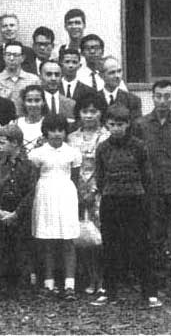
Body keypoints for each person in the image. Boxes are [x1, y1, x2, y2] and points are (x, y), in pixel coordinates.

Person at [91, 105, 161, 308]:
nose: (116, 129)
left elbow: (147, 175)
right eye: (112, 125)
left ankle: (149, 293)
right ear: (106, 125)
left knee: (140, 246)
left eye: (120, 124)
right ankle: (109, 291)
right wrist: (109, 190)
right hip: (111, 201)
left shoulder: (139, 146)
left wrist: (143, 198)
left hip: (135, 200)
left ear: (128, 124)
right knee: (111, 246)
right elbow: (100, 175)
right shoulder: (103, 148)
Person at [132, 80, 171, 294]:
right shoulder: (141, 125)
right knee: (154, 234)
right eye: (158, 96)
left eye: (167, 96)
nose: (162, 100)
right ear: (152, 97)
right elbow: (137, 156)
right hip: (151, 188)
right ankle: (157, 278)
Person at [29, 113, 81, 299]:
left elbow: (74, 178)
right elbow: (33, 178)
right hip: (44, 195)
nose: (57, 134)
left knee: (68, 240)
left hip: (66, 195)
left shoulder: (72, 152)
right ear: (45, 131)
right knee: (47, 240)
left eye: (60, 130)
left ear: (66, 132)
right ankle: (49, 284)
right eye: (52, 130)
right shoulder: (37, 153)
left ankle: (69, 285)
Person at [67, 93, 109, 295]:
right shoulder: (71, 137)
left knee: (100, 237)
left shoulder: (107, 136)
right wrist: (76, 190)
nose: (89, 116)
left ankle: (102, 279)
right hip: (75, 191)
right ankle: (87, 277)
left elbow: (107, 167)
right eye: (85, 111)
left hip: (99, 192)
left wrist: (94, 190)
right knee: (81, 237)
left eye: (94, 111)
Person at [0, 124, 37, 290]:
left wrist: (17, 213)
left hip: (21, 213)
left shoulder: (29, 166)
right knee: (2, 247)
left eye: (2, 143)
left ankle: (23, 283)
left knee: (21, 247)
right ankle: (3, 283)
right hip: (2, 211)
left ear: (15, 143)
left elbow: (31, 193)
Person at [0, 42, 40, 117]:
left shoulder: (33, 80)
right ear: (3, 57)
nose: (11, 58)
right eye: (8, 55)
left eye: (15, 55)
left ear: (23, 58)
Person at [98, 56, 141, 122]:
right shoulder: (94, 99)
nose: (117, 76)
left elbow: (136, 128)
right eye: (112, 72)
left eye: (119, 71)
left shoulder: (133, 100)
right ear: (101, 75)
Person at [15, 85, 47, 155]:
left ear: (43, 102)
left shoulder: (49, 123)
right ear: (24, 103)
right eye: (29, 100)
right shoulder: (15, 124)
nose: (33, 104)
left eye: (37, 100)